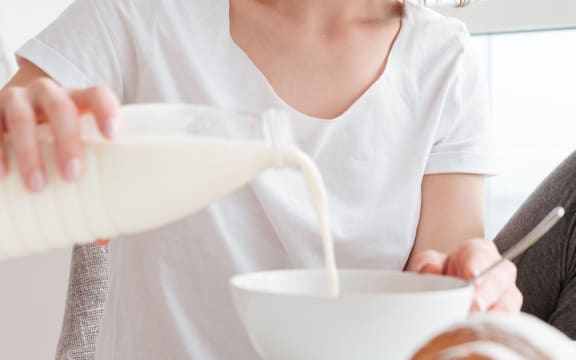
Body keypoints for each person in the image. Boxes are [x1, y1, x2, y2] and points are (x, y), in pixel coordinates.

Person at [0, 0, 527, 358]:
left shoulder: (443, 60)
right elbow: (17, 129)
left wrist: (472, 290)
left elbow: (441, 290)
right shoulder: (144, 13)